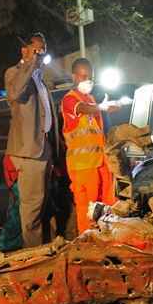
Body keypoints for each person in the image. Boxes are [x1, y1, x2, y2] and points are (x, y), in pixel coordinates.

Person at [5, 32, 57, 248]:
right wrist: (31, 64)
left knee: (43, 206)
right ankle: (33, 256)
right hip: (29, 151)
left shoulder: (40, 79)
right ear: (24, 50)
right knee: (31, 211)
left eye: (42, 50)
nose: (40, 54)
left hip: (43, 148)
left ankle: (46, 249)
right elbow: (16, 93)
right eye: (36, 49)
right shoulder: (14, 73)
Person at [60, 58, 118, 233]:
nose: (87, 80)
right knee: (88, 211)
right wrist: (102, 106)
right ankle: (87, 247)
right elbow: (82, 109)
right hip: (83, 167)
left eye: (90, 77)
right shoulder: (69, 100)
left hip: (100, 164)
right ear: (74, 76)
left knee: (106, 207)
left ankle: (104, 244)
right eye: (83, 76)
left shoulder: (91, 99)